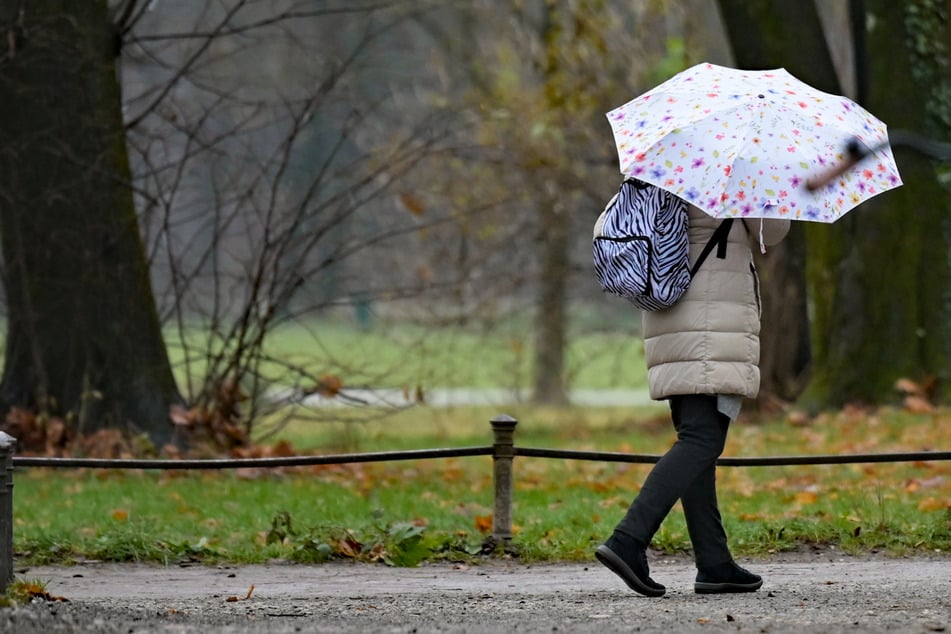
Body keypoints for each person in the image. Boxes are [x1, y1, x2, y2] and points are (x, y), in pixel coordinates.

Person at [596, 204, 790, 597]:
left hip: (672, 309)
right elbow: (773, 232)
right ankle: (628, 540)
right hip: (709, 319)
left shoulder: (669, 168)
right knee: (702, 440)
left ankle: (714, 562)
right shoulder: (731, 168)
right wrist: (770, 190)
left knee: (697, 442)